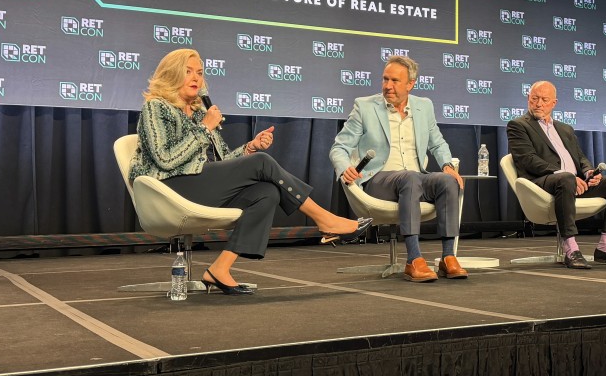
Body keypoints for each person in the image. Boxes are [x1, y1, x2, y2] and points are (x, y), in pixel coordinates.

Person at [130, 49, 371, 295]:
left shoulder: (201, 113)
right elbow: (166, 159)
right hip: (170, 188)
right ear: (171, 74)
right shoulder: (156, 107)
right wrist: (205, 128)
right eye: (188, 72)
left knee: (266, 192)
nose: (196, 78)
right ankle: (325, 220)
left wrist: (250, 148)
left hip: (201, 184)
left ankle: (220, 269)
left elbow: (223, 160)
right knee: (261, 162)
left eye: (199, 73)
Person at [330, 56, 466, 282]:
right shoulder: (365, 107)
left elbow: (438, 143)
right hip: (378, 180)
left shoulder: (424, 106)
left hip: (415, 178)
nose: (387, 86)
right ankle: (414, 258)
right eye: (385, 79)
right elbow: (339, 147)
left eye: (394, 80)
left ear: (411, 84)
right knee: (409, 178)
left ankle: (448, 257)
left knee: (447, 181)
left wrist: (447, 166)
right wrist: (345, 168)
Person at [507, 80, 606, 269]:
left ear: (554, 103)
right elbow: (528, 159)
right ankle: (571, 250)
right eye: (535, 98)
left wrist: (588, 171)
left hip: (573, 183)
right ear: (528, 99)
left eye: (544, 100)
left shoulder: (565, 128)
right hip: (542, 183)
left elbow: (580, 157)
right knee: (566, 178)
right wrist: (565, 174)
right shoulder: (518, 125)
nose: (539, 103)